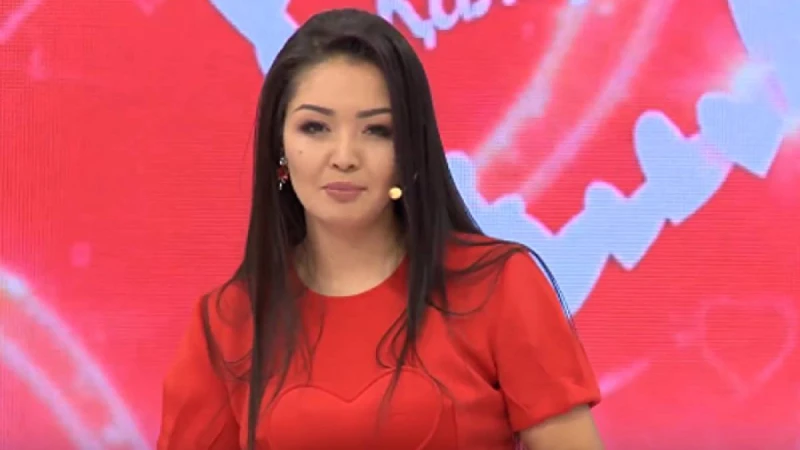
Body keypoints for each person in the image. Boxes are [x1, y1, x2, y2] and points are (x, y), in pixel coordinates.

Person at [157, 7, 603, 450]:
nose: (344, 156)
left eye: (376, 130)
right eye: (315, 127)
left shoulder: (498, 285)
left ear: (410, 149)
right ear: (280, 146)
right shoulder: (229, 323)